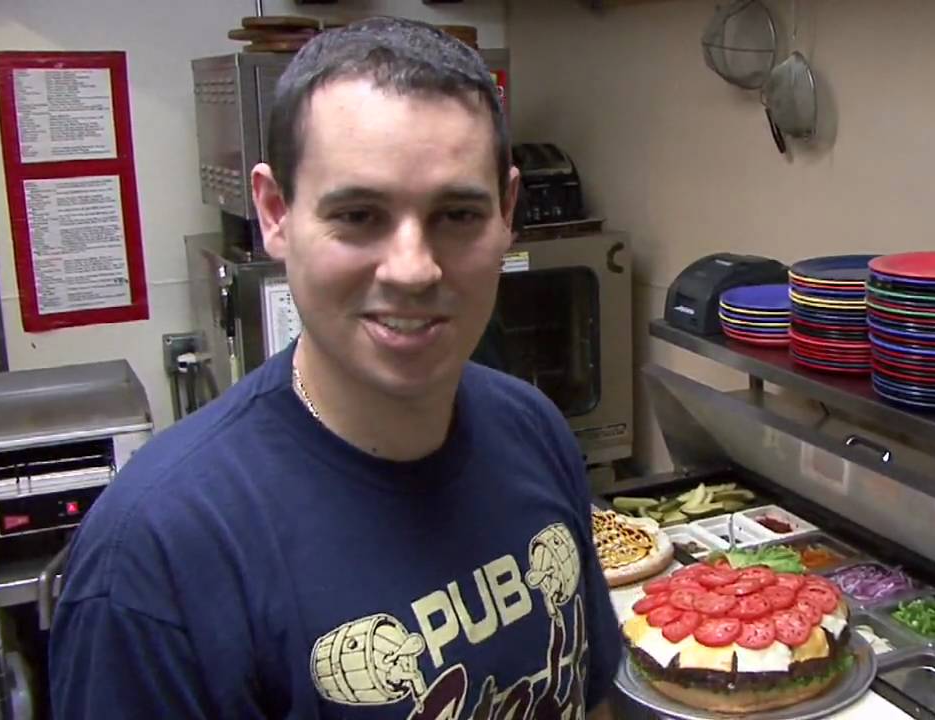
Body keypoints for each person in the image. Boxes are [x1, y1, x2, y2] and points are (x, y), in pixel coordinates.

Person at [49, 17, 621, 719]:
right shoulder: (155, 560)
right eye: (357, 214)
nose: (413, 269)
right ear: (276, 212)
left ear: (506, 213)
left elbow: (588, 697)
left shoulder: (533, 429)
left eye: (457, 215)